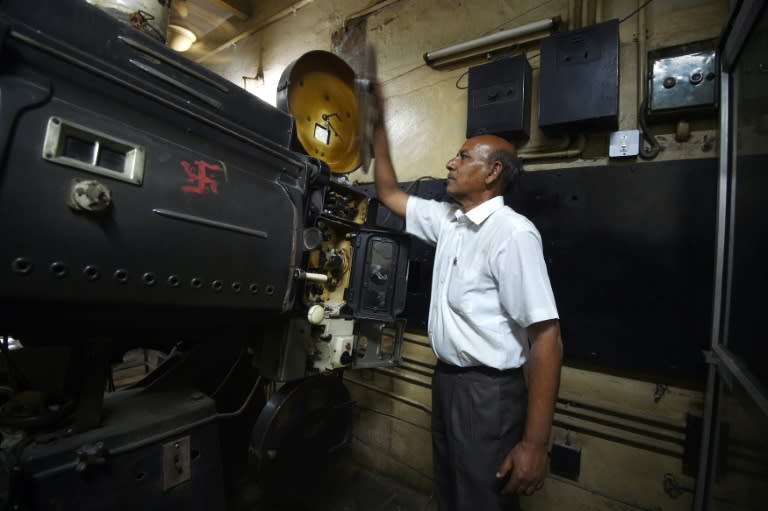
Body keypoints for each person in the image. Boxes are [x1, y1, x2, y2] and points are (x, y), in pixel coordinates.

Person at [371, 83, 563, 511]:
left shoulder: (511, 234)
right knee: (451, 493)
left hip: (488, 395)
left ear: (493, 172)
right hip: (448, 383)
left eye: (463, 157)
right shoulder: (449, 222)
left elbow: (547, 337)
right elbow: (388, 193)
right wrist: (379, 128)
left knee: (481, 500)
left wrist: (534, 444)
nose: (450, 163)